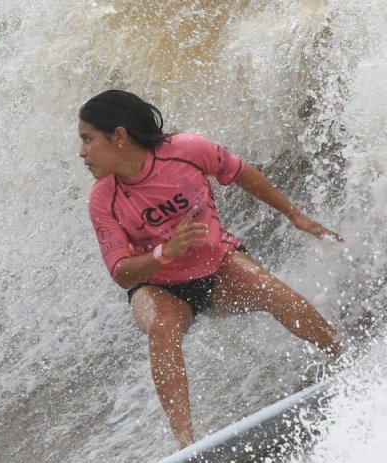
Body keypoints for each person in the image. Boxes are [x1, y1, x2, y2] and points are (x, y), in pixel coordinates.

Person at [77, 89, 343, 449]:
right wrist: (164, 253)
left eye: (88, 140)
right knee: (162, 326)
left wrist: (293, 214)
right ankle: (187, 445)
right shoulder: (103, 198)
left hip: (217, 268)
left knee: (267, 287)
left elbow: (239, 171)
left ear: (119, 136)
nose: (83, 153)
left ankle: (345, 358)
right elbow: (122, 272)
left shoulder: (187, 151)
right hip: (158, 287)